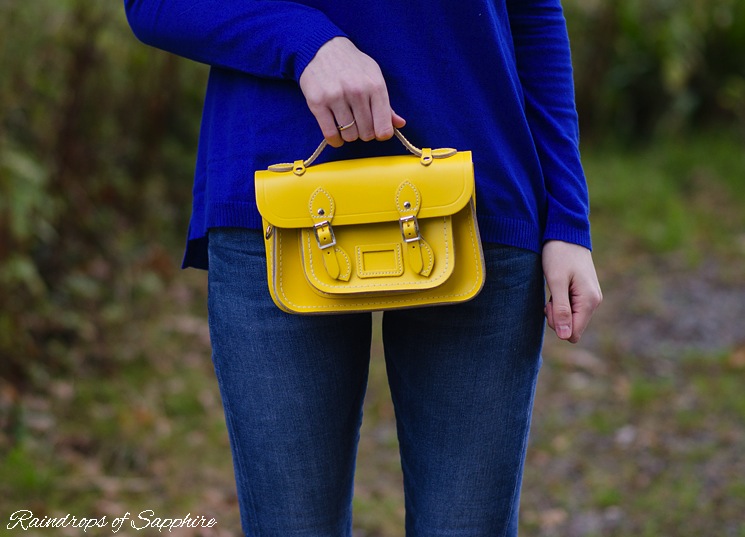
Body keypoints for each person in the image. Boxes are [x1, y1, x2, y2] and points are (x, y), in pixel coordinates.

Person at [124, 1, 602, 535]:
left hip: (477, 198)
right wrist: (307, 42)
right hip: (275, 207)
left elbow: (534, 14)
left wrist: (567, 218)